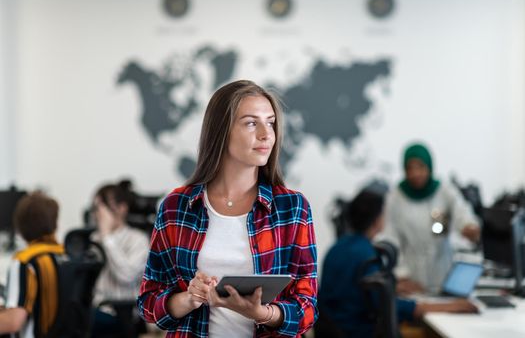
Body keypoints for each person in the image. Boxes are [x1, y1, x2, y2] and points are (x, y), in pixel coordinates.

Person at [138, 80, 318, 337]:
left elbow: (307, 308)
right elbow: (148, 303)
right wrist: (189, 298)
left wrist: (261, 313)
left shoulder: (292, 208)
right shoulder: (176, 207)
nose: (266, 134)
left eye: (270, 122)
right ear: (221, 131)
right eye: (251, 123)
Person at [318, 188, 477, 338]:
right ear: (377, 219)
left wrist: (393, 286)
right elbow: (388, 307)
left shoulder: (336, 249)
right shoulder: (367, 255)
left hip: (334, 330)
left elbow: (353, 290)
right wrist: (446, 307)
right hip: (358, 331)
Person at [380, 143, 480, 295]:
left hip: (442, 272)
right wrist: (401, 275)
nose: (415, 173)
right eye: (410, 169)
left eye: (420, 167)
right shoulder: (396, 197)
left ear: (429, 166)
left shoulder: (443, 191)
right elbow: (391, 237)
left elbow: (462, 212)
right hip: (411, 277)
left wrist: (469, 227)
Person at [0, 192, 64, 337]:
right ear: (55, 224)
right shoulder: (65, 256)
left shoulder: (25, 262)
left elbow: (13, 322)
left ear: (20, 227)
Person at [90, 182, 150, 337]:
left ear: (122, 208)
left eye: (105, 207)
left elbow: (127, 276)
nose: (100, 214)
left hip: (122, 314)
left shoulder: (138, 239)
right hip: (95, 309)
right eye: (97, 208)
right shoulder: (93, 239)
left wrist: (107, 237)